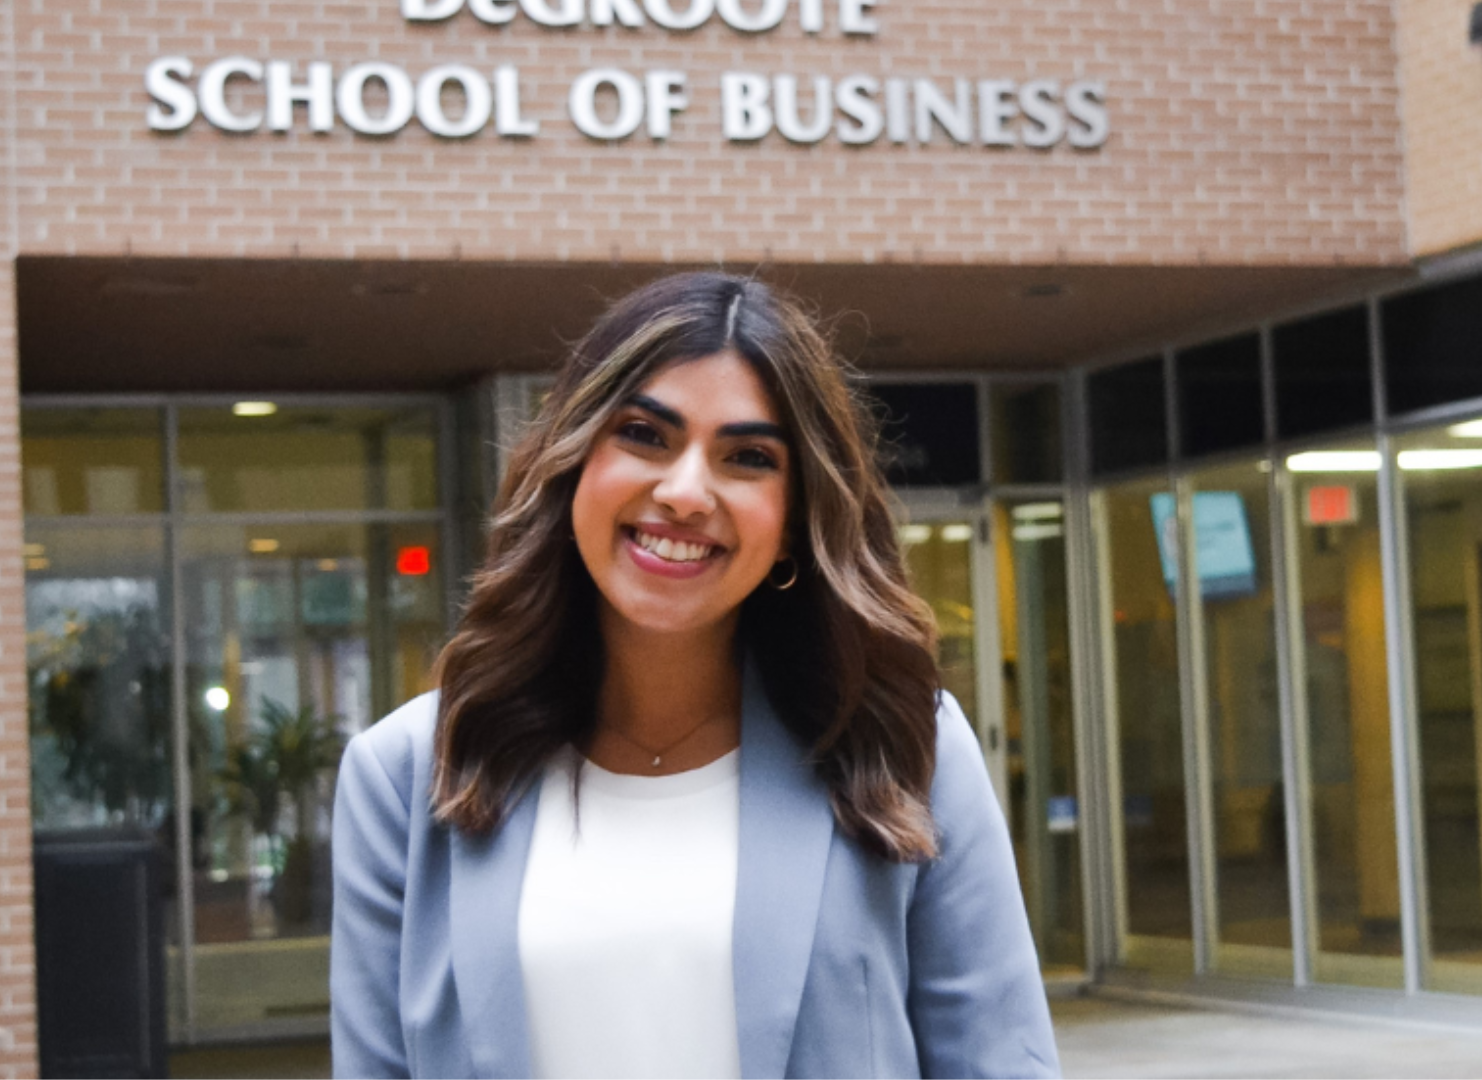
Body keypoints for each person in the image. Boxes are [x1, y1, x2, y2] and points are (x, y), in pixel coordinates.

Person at [329, 272, 1059, 1079]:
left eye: (747, 457)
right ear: (573, 465)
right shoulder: (405, 776)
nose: (684, 492)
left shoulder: (904, 747)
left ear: (793, 522)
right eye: (644, 434)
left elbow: (1001, 1061)